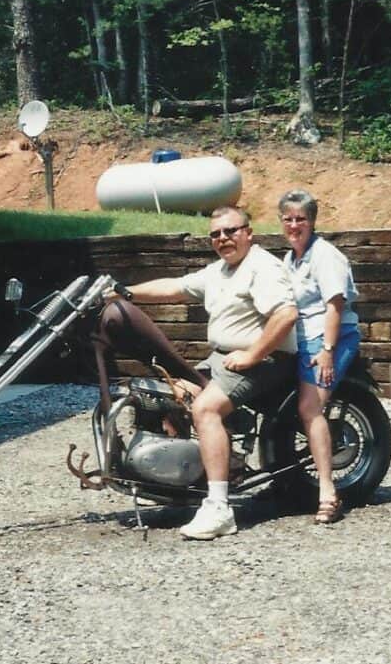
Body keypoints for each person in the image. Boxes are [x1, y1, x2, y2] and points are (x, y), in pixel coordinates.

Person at [121, 206, 298, 540]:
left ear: (248, 232)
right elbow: (175, 286)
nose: (223, 239)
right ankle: (193, 482)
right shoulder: (220, 270)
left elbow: (286, 315)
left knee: (206, 408)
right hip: (225, 357)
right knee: (172, 395)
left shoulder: (262, 267)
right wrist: (125, 292)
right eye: (215, 234)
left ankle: (219, 509)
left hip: (266, 360)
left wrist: (253, 354)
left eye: (230, 231)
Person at [279, 189, 361, 524]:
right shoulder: (290, 259)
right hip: (301, 340)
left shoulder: (325, 255)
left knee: (310, 408)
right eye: (288, 218)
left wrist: (327, 352)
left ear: (312, 221)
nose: (294, 224)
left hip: (331, 340)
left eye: (301, 218)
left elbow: (335, 304)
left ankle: (328, 492)